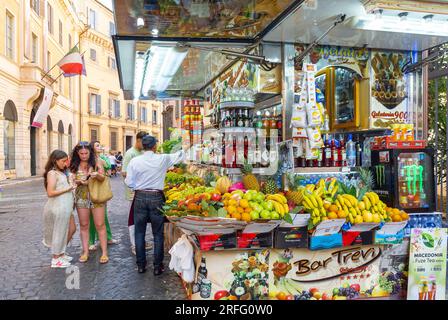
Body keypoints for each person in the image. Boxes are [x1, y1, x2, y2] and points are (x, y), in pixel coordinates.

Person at [125, 135, 185, 275]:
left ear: (143, 146)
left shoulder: (135, 161)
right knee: (158, 234)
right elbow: (180, 155)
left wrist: (138, 187)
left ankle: (141, 265)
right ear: (154, 146)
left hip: (140, 196)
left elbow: (128, 182)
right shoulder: (163, 158)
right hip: (156, 197)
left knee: (139, 232)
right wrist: (184, 144)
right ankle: (158, 267)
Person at [70, 141, 109, 264]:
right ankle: (85, 251)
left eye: (86, 153)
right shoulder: (74, 164)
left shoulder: (97, 162)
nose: (84, 155)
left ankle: (104, 252)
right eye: (81, 153)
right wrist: (77, 181)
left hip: (96, 196)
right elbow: (70, 180)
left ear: (90, 152)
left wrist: (96, 174)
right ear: (77, 153)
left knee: (99, 224)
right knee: (84, 225)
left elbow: (103, 178)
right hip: (81, 196)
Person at [42, 150, 76, 268]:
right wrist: (68, 189)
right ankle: (56, 259)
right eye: (63, 161)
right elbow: (50, 192)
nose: (66, 163)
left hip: (66, 206)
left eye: (66, 160)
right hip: (58, 206)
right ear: (55, 160)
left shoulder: (63, 172)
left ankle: (61, 253)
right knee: (59, 232)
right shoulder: (52, 173)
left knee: (71, 229)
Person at [122, 131, 153, 255]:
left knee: (142, 219)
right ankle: (134, 245)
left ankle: (141, 241)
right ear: (138, 140)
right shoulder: (130, 154)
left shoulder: (142, 152)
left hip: (143, 191)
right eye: (144, 142)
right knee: (134, 219)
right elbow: (124, 173)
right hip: (133, 192)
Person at [87, 141, 119, 252]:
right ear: (92, 148)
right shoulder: (90, 161)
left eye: (100, 145)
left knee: (103, 216)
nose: (100, 147)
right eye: (97, 145)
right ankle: (90, 241)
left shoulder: (102, 157)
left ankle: (107, 238)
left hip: (102, 188)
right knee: (92, 217)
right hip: (94, 189)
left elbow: (108, 168)